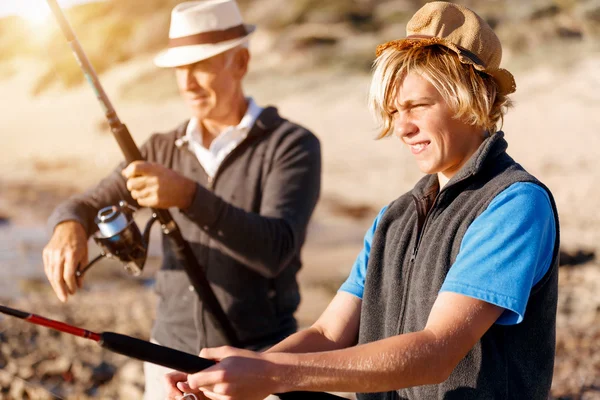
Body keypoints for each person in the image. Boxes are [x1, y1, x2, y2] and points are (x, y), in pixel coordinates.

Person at [164, 2, 560, 399]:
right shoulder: (395, 216)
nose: (401, 128)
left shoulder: (514, 204)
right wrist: (236, 373)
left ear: (471, 98)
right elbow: (328, 333)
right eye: (393, 111)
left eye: (417, 106)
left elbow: (436, 353)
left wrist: (270, 374)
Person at [41, 1, 321, 399]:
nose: (187, 82)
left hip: (260, 362)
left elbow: (276, 249)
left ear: (240, 62)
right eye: (179, 69)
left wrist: (188, 196)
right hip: (168, 361)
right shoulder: (159, 149)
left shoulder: (292, 146)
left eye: (202, 65)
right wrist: (68, 226)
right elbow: (87, 203)